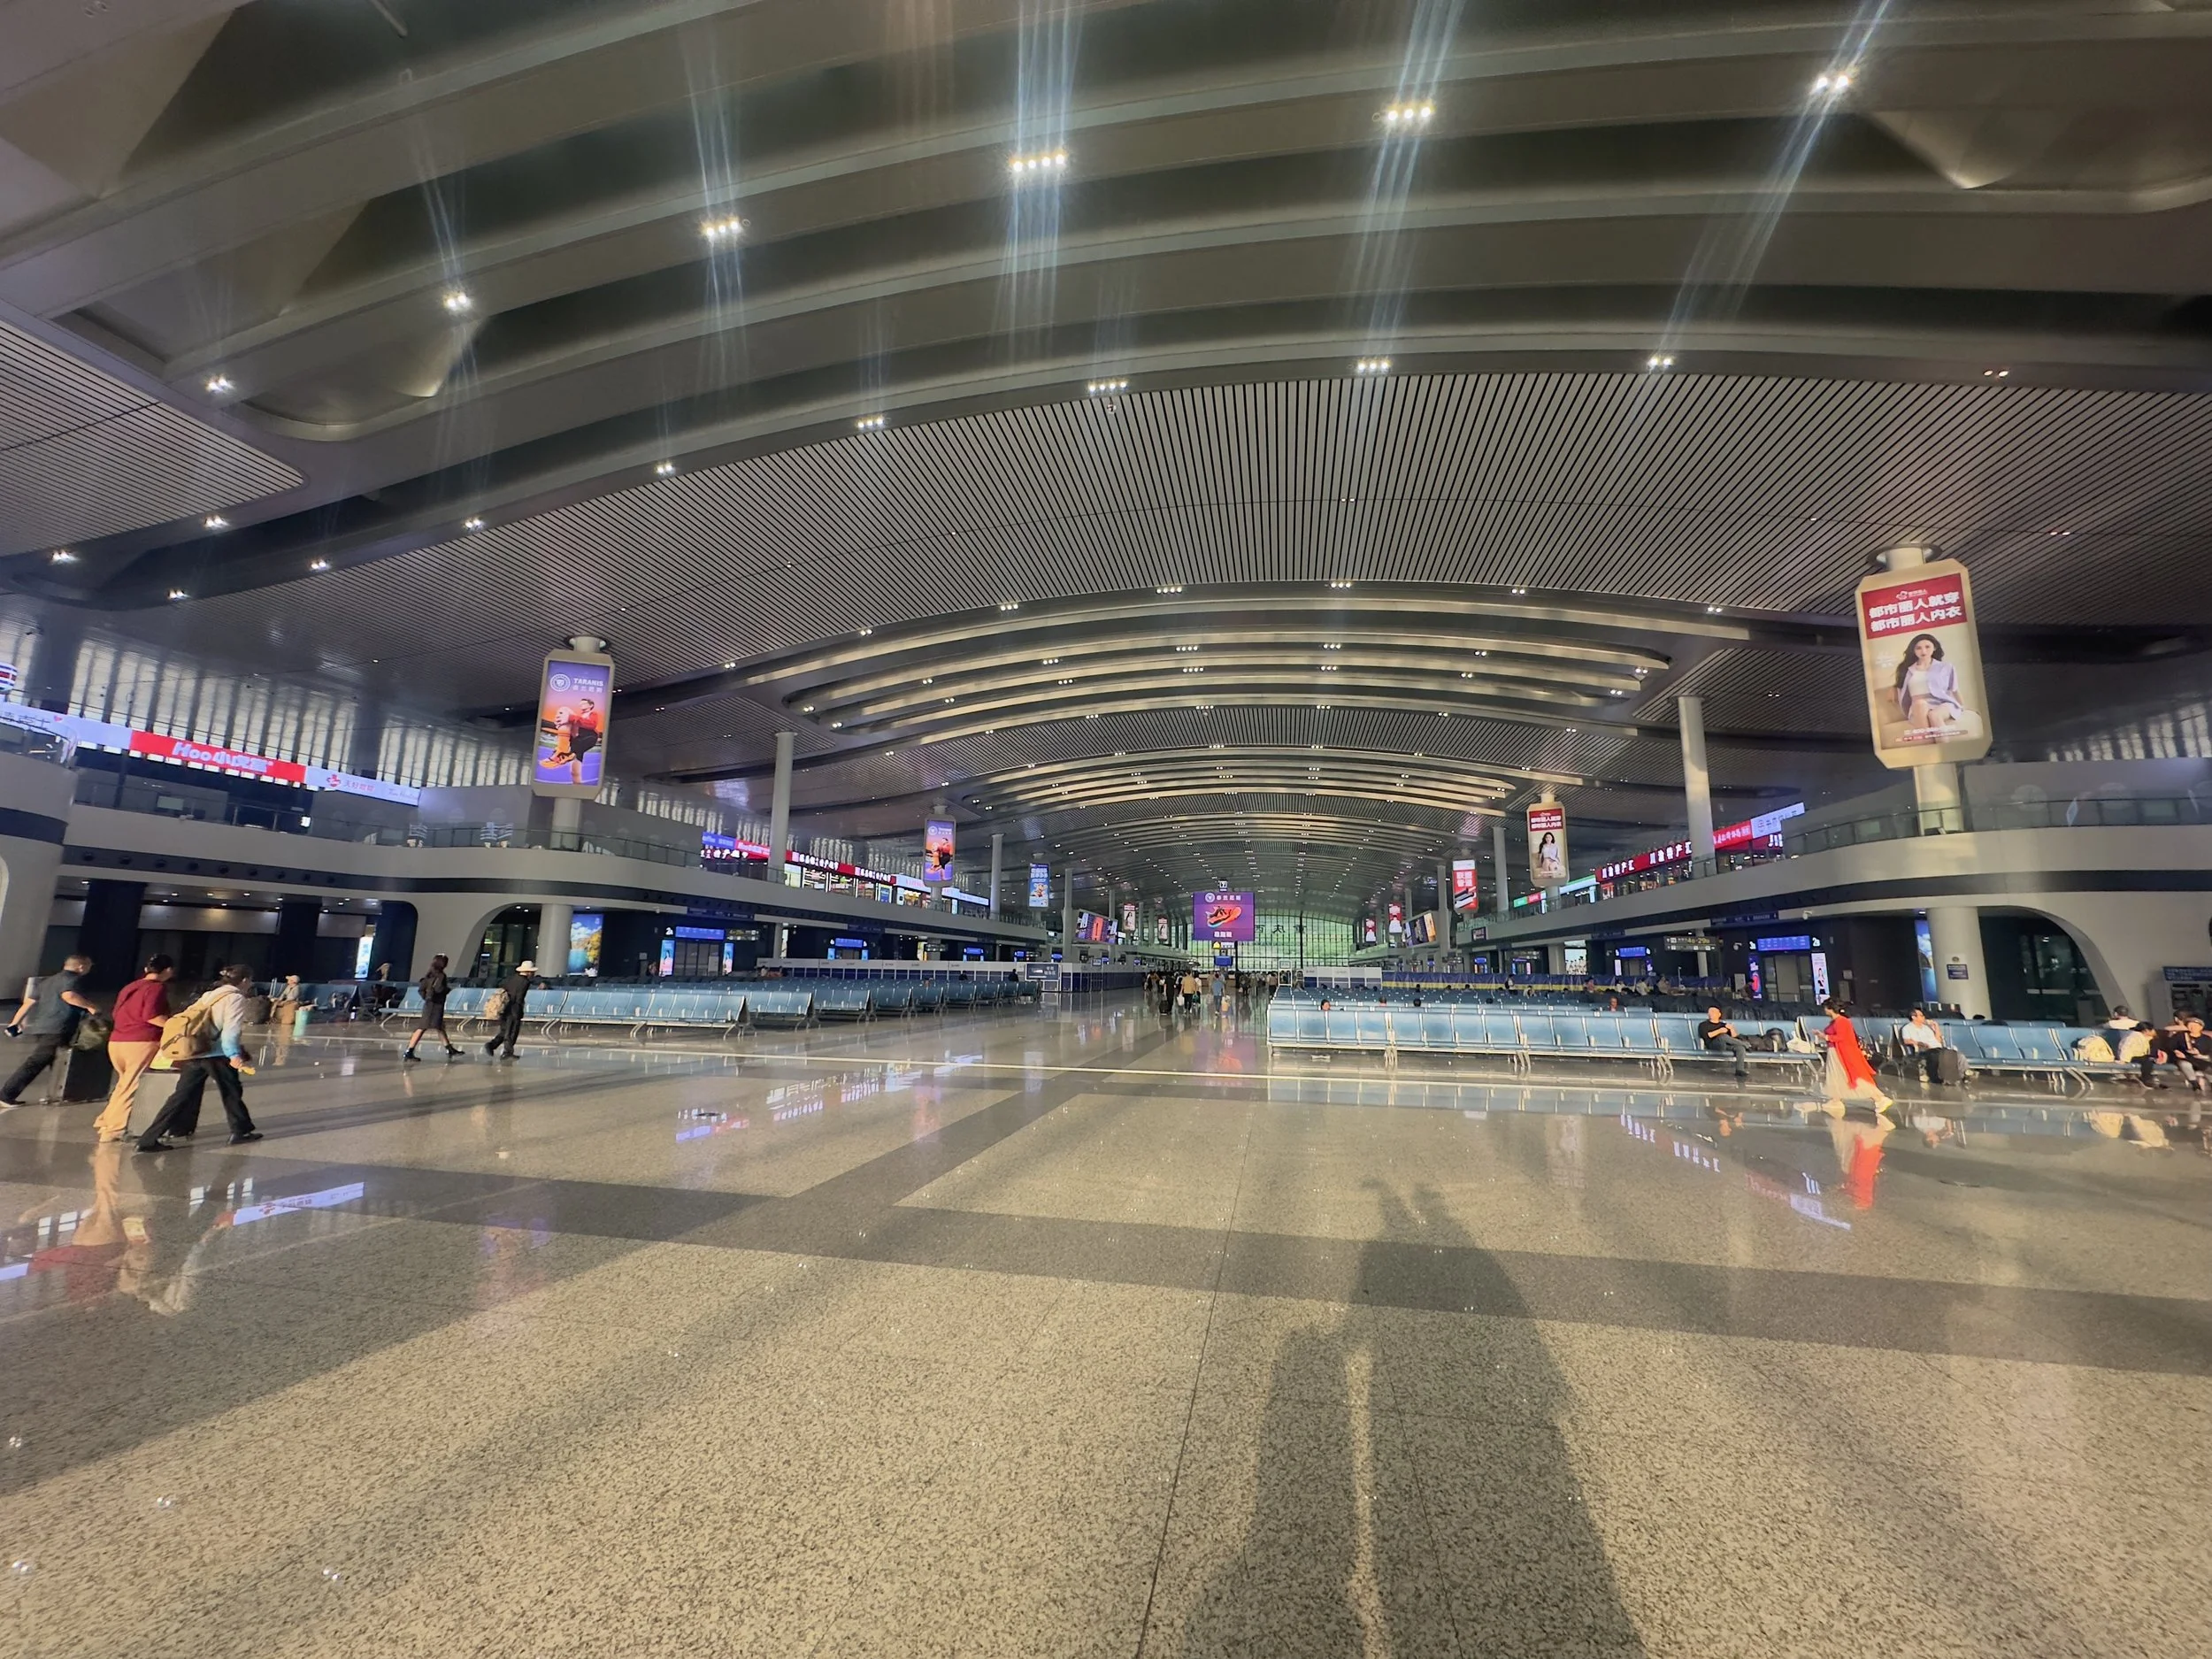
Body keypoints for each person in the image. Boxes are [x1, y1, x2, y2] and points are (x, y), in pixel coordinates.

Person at [136, 964, 262, 1151]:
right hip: (216, 1053)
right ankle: (240, 1131)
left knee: (180, 1096)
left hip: (195, 1050)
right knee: (231, 1092)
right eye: (250, 980)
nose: (250, 984)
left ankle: (148, 1139)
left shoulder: (210, 994)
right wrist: (234, 1055)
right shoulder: (235, 998)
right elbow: (231, 1030)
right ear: (244, 980)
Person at [95, 955, 173, 1142]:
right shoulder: (157, 988)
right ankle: (113, 1129)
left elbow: (116, 1012)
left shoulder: (130, 987)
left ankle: (106, 1120)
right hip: (140, 1042)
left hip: (117, 1041)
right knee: (131, 1086)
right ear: (168, 970)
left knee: (123, 1083)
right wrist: (174, 1026)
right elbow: (151, 1015)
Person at [1, 954, 96, 1107]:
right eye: (89, 966)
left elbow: (28, 1004)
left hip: (42, 1027)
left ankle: (60, 1094)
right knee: (36, 1062)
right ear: (81, 967)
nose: (89, 969)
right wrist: (91, 1007)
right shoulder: (73, 980)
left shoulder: (48, 981)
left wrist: (14, 1023)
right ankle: (6, 1094)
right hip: (58, 1028)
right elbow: (69, 996)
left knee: (58, 1062)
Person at [1816, 999, 1894, 1118]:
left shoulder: (1843, 1021)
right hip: (1835, 1051)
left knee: (1854, 1077)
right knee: (1837, 1075)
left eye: (1825, 1007)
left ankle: (1879, 1098)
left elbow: (1841, 1037)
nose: (1824, 1010)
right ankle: (1835, 1100)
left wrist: (1824, 1036)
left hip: (1843, 1053)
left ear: (1830, 1008)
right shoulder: (1835, 1021)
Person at [1893, 633, 1967, 732]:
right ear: (1914, 651)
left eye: (1927, 647)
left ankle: (1944, 746)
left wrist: (1962, 707)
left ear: (1935, 647)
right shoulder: (1906, 670)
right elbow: (1901, 692)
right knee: (1920, 704)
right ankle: (1935, 743)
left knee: (1934, 715)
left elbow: (1955, 690)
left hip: (1942, 703)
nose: (1923, 651)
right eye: (1918, 648)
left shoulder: (1946, 667)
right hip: (1918, 707)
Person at [404, 954, 463, 1061]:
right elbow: (440, 989)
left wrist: (426, 997)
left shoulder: (429, 975)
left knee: (439, 1026)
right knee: (422, 1028)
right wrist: (448, 990)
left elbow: (421, 989)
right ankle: (409, 1050)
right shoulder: (441, 976)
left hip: (429, 1004)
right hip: (436, 1006)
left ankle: (449, 1048)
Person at [483, 960, 536, 1059]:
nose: (533, 974)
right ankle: (507, 1052)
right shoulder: (525, 982)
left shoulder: (511, 978)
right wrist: (520, 1011)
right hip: (514, 1008)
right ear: (528, 972)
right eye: (532, 972)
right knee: (512, 1031)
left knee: (504, 1030)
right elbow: (519, 998)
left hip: (504, 1007)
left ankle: (492, 1045)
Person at [1696, 1005, 1751, 1081]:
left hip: (1726, 1045)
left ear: (1719, 1014)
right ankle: (1745, 1044)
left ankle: (1739, 1070)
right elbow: (1707, 1035)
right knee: (1723, 1036)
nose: (1711, 1014)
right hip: (1713, 1044)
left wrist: (1732, 1029)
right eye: (1710, 1012)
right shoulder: (1703, 1025)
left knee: (1740, 1048)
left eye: (1713, 1012)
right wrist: (1719, 1031)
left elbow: (1734, 1037)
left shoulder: (1723, 1024)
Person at [1897, 1006, 1947, 1084]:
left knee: (1957, 1055)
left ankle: (1964, 1074)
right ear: (1914, 1017)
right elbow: (1906, 1041)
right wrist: (1920, 1043)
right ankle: (1935, 1077)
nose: (1924, 1017)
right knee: (1936, 1055)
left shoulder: (1926, 1028)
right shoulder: (1907, 1028)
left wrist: (1936, 1026)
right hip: (1925, 1049)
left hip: (1938, 1047)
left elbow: (1938, 1040)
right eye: (1921, 1015)